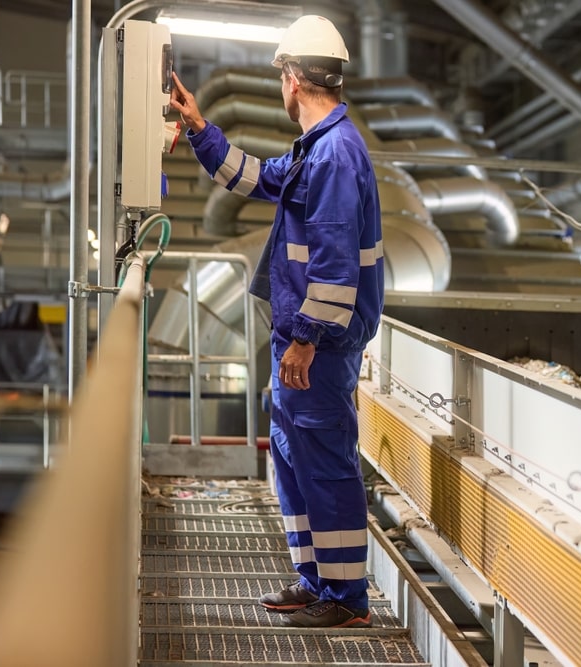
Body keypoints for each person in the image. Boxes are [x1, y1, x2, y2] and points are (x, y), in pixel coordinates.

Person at [169, 14, 384, 629]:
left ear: (292, 79)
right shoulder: (319, 146)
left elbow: (337, 261)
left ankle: (346, 601)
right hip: (300, 337)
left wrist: (308, 341)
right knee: (292, 458)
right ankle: (316, 580)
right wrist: (201, 130)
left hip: (320, 344)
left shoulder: (336, 154)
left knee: (324, 462)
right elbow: (262, 180)